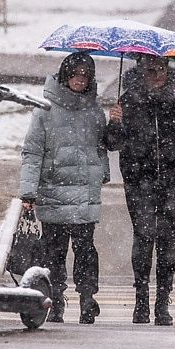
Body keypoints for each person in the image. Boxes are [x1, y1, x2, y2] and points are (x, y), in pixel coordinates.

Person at [19, 52, 121, 324]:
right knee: (55, 250)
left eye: (85, 75)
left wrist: (116, 124)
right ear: (65, 75)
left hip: (85, 192)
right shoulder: (45, 110)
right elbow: (32, 152)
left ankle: (88, 299)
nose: (80, 79)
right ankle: (57, 299)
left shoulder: (94, 111)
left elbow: (106, 145)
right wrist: (28, 191)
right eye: (76, 74)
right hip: (54, 190)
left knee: (86, 249)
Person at [110, 54, 175, 325]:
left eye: (160, 70)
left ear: (168, 70)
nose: (155, 75)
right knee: (142, 236)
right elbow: (112, 143)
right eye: (149, 70)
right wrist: (115, 122)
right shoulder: (128, 100)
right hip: (138, 180)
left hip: (174, 181)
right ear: (140, 72)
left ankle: (162, 302)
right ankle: (141, 299)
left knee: (167, 240)